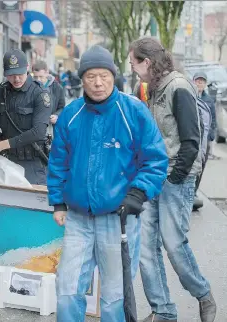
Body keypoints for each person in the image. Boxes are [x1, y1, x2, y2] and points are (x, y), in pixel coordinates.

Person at [48, 45, 168, 322]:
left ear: (114, 76)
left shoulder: (133, 111)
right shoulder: (71, 114)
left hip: (119, 219)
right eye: (91, 76)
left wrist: (138, 193)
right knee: (67, 288)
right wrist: (57, 202)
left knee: (114, 295)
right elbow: (58, 161)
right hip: (78, 218)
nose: (98, 82)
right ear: (82, 79)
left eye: (104, 75)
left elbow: (155, 159)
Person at [129, 37, 217, 322]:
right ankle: (163, 311)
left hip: (176, 178)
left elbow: (192, 141)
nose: (132, 69)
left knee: (173, 242)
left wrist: (176, 179)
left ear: (147, 62)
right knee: (144, 247)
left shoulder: (178, 87)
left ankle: (203, 294)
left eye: (134, 63)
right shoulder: (151, 88)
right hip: (153, 177)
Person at [0, 49, 52, 185]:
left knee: (31, 204)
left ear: (27, 68)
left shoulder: (39, 94)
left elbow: (38, 132)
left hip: (32, 163)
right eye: (11, 75)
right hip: (6, 161)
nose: (16, 79)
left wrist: (0, 145)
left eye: (20, 74)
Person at [192, 71, 217, 211]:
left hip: (205, 139)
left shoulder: (209, 100)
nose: (200, 83)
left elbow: (213, 119)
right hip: (194, 138)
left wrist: (211, 135)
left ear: (205, 84)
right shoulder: (189, 96)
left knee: (201, 166)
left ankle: (195, 190)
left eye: (202, 81)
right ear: (193, 81)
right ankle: (190, 190)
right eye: (197, 81)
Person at [32, 60, 66, 133]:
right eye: (35, 77)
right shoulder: (29, 87)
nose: (38, 80)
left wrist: (56, 115)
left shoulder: (57, 87)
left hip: (50, 128)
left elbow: (62, 107)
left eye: (41, 77)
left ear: (47, 73)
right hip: (32, 127)